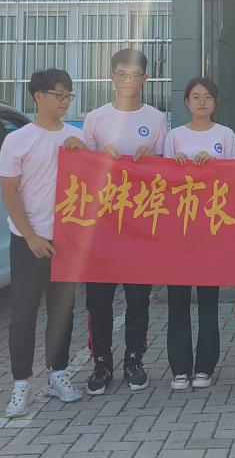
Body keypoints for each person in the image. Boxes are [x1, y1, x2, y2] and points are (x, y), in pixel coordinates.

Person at [64, 48, 168, 396]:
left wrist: (153, 158)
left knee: (138, 299)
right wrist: (88, 152)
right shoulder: (96, 118)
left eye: (134, 75)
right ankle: (101, 362)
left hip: (140, 224)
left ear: (145, 79)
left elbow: (166, 170)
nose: (127, 81)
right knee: (99, 301)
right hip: (102, 225)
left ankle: (134, 360)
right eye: (121, 74)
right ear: (112, 77)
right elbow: (82, 167)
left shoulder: (156, 118)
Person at [0, 68, 84, 418]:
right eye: (59, 95)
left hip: (66, 241)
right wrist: (31, 236)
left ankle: (57, 374)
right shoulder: (18, 139)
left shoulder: (76, 137)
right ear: (38, 96)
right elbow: (9, 193)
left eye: (68, 96)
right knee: (24, 313)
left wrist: (83, 152)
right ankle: (21, 383)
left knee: (63, 312)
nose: (64, 102)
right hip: (28, 239)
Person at [162, 77, 235, 391]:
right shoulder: (174, 136)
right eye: (196, 97)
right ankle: (180, 368)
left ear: (215, 102)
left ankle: (205, 366)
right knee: (177, 302)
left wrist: (215, 165)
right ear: (186, 103)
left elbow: (234, 181)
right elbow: (162, 183)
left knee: (208, 301)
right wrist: (175, 165)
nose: (202, 102)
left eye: (207, 97)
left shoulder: (226, 135)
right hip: (178, 231)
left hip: (210, 229)